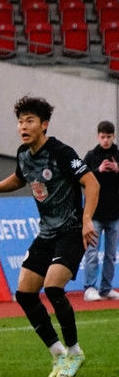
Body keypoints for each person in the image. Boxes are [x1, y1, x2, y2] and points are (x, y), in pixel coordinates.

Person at [0, 96, 98, 377]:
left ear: (44, 124)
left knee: (53, 287)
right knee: (25, 294)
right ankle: (58, 353)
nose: (23, 126)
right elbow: (20, 178)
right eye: (20, 121)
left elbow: (91, 182)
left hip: (70, 230)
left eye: (30, 121)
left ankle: (75, 351)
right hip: (46, 233)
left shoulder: (61, 152)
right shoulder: (23, 154)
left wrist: (87, 220)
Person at [81, 120, 119, 301]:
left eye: (108, 137)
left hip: (114, 214)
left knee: (111, 255)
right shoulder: (91, 155)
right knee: (92, 253)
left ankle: (106, 288)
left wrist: (117, 169)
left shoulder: (118, 155)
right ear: (98, 136)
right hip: (94, 214)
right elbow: (81, 179)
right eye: (102, 137)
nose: (105, 140)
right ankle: (90, 287)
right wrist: (98, 170)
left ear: (114, 136)